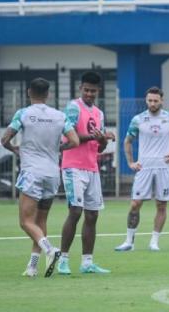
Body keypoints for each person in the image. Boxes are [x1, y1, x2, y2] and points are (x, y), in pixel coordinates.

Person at [1, 78, 79, 277]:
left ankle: (50, 249)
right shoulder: (60, 116)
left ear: (29, 92)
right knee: (40, 219)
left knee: (25, 222)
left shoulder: (24, 113)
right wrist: (58, 148)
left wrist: (15, 150)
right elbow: (75, 141)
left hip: (32, 173)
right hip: (52, 174)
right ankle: (32, 267)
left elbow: (4, 139)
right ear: (48, 94)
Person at [114, 87, 169, 251]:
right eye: (150, 100)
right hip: (144, 167)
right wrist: (130, 162)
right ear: (146, 100)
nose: (152, 103)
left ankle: (154, 242)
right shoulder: (138, 119)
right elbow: (127, 141)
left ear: (161, 101)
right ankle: (129, 241)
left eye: (156, 100)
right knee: (135, 204)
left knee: (161, 205)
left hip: (163, 167)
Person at [57, 71, 115, 275]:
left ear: (98, 91)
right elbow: (69, 135)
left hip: (92, 167)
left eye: (93, 91)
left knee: (92, 215)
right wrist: (94, 136)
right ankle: (63, 260)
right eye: (87, 90)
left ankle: (87, 262)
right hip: (73, 166)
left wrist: (103, 140)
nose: (90, 94)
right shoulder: (73, 107)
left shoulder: (99, 113)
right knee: (75, 212)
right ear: (81, 88)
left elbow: (99, 148)